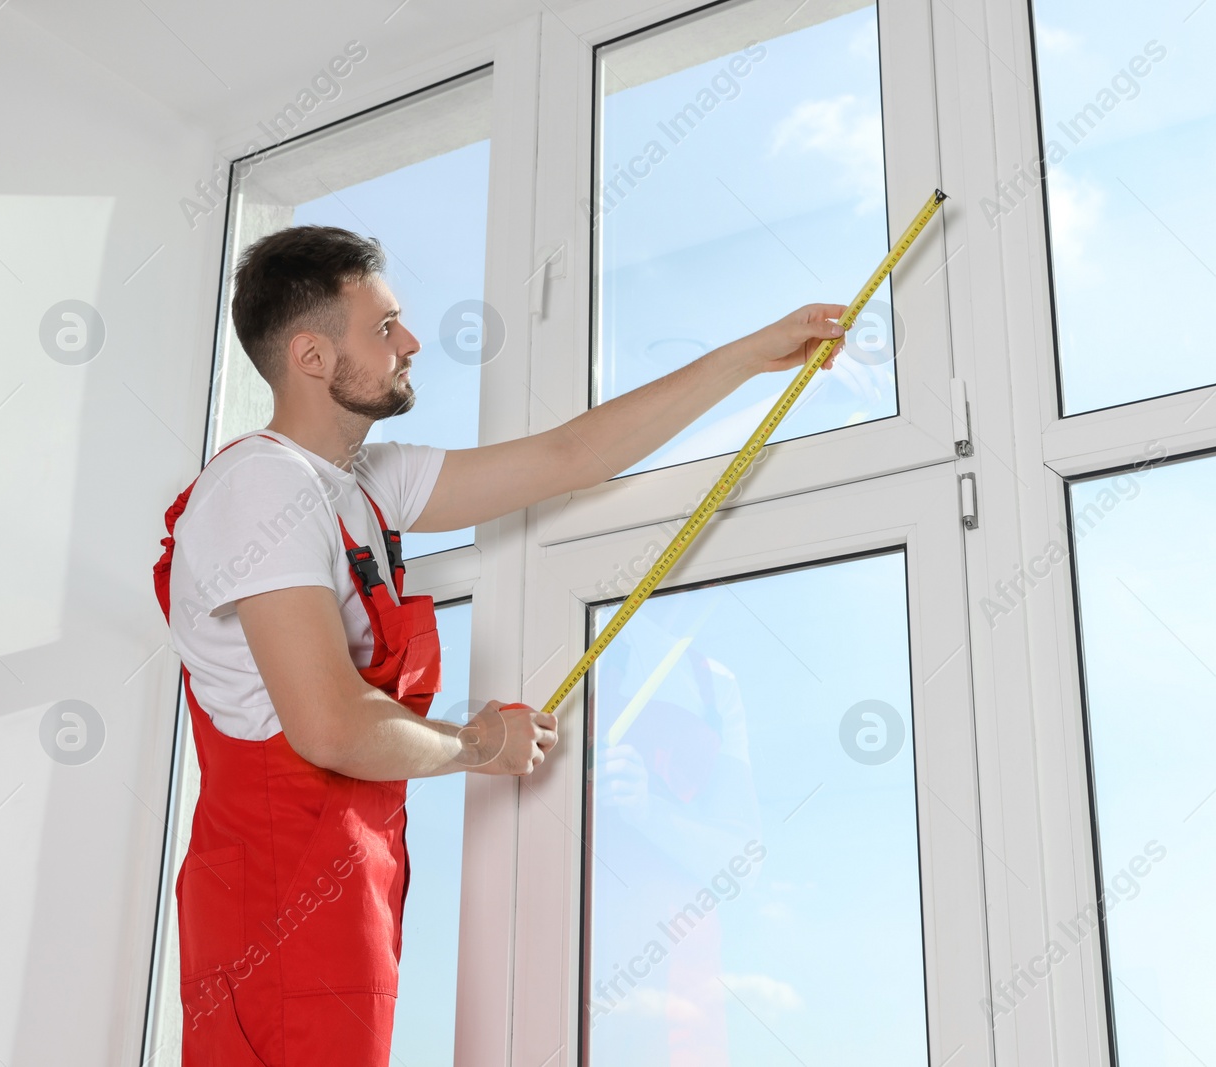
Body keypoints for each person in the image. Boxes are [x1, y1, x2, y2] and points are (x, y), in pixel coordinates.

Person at [152, 224, 846, 1065]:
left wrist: (753, 353)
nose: (411, 341)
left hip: (346, 876)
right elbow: (329, 727)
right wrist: (483, 742)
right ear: (309, 355)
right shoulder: (261, 487)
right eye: (383, 327)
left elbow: (571, 455)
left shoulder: (365, 483)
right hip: (273, 892)